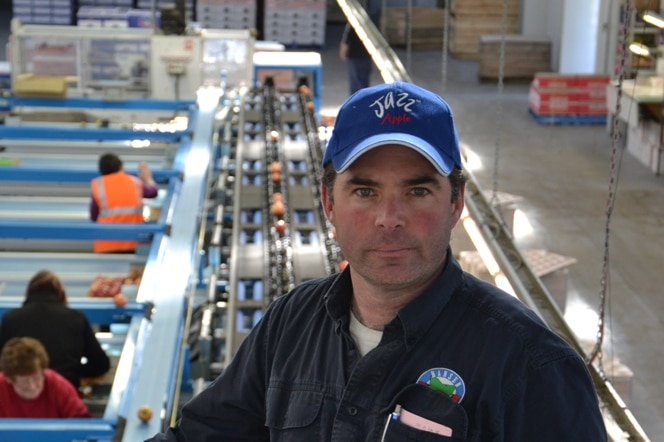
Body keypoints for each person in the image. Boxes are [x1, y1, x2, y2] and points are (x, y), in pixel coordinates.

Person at [147, 83, 607, 441]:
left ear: (456, 203)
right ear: (328, 202)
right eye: (365, 191)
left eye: (418, 191)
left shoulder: (531, 368)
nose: (390, 219)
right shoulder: (291, 323)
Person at [0, 270, 110, 390]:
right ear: (60, 293)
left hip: (21, 394)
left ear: (29, 292)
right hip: (65, 391)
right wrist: (73, 372)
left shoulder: (10, 319)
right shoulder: (76, 318)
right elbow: (101, 364)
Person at [0, 337, 91, 418]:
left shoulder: (58, 385)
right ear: (9, 379)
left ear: (43, 371)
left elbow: (83, 424)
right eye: (25, 382)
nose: (32, 386)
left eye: (37, 378)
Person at [90, 152, 159, 253]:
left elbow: (93, 216)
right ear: (121, 166)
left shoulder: (98, 184)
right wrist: (147, 178)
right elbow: (153, 192)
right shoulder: (134, 182)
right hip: (133, 242)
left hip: (106, 244)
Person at [339, 23, 372, 95]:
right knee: (364, 82)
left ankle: (356, 103)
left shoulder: (352, 25)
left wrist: (342, 53)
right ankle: (364, 101)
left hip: (355, 58)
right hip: (366, 58)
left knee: (355, 84)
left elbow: (346, 41)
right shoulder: (369, 24)